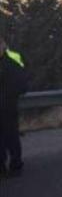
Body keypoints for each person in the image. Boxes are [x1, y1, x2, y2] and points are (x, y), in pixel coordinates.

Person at [0, 36, 27, 175]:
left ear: (3, 46)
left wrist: (8, 96)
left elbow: (22, 85)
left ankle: (16, 165)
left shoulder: (11, 63)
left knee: (11, 137)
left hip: (8, 107)